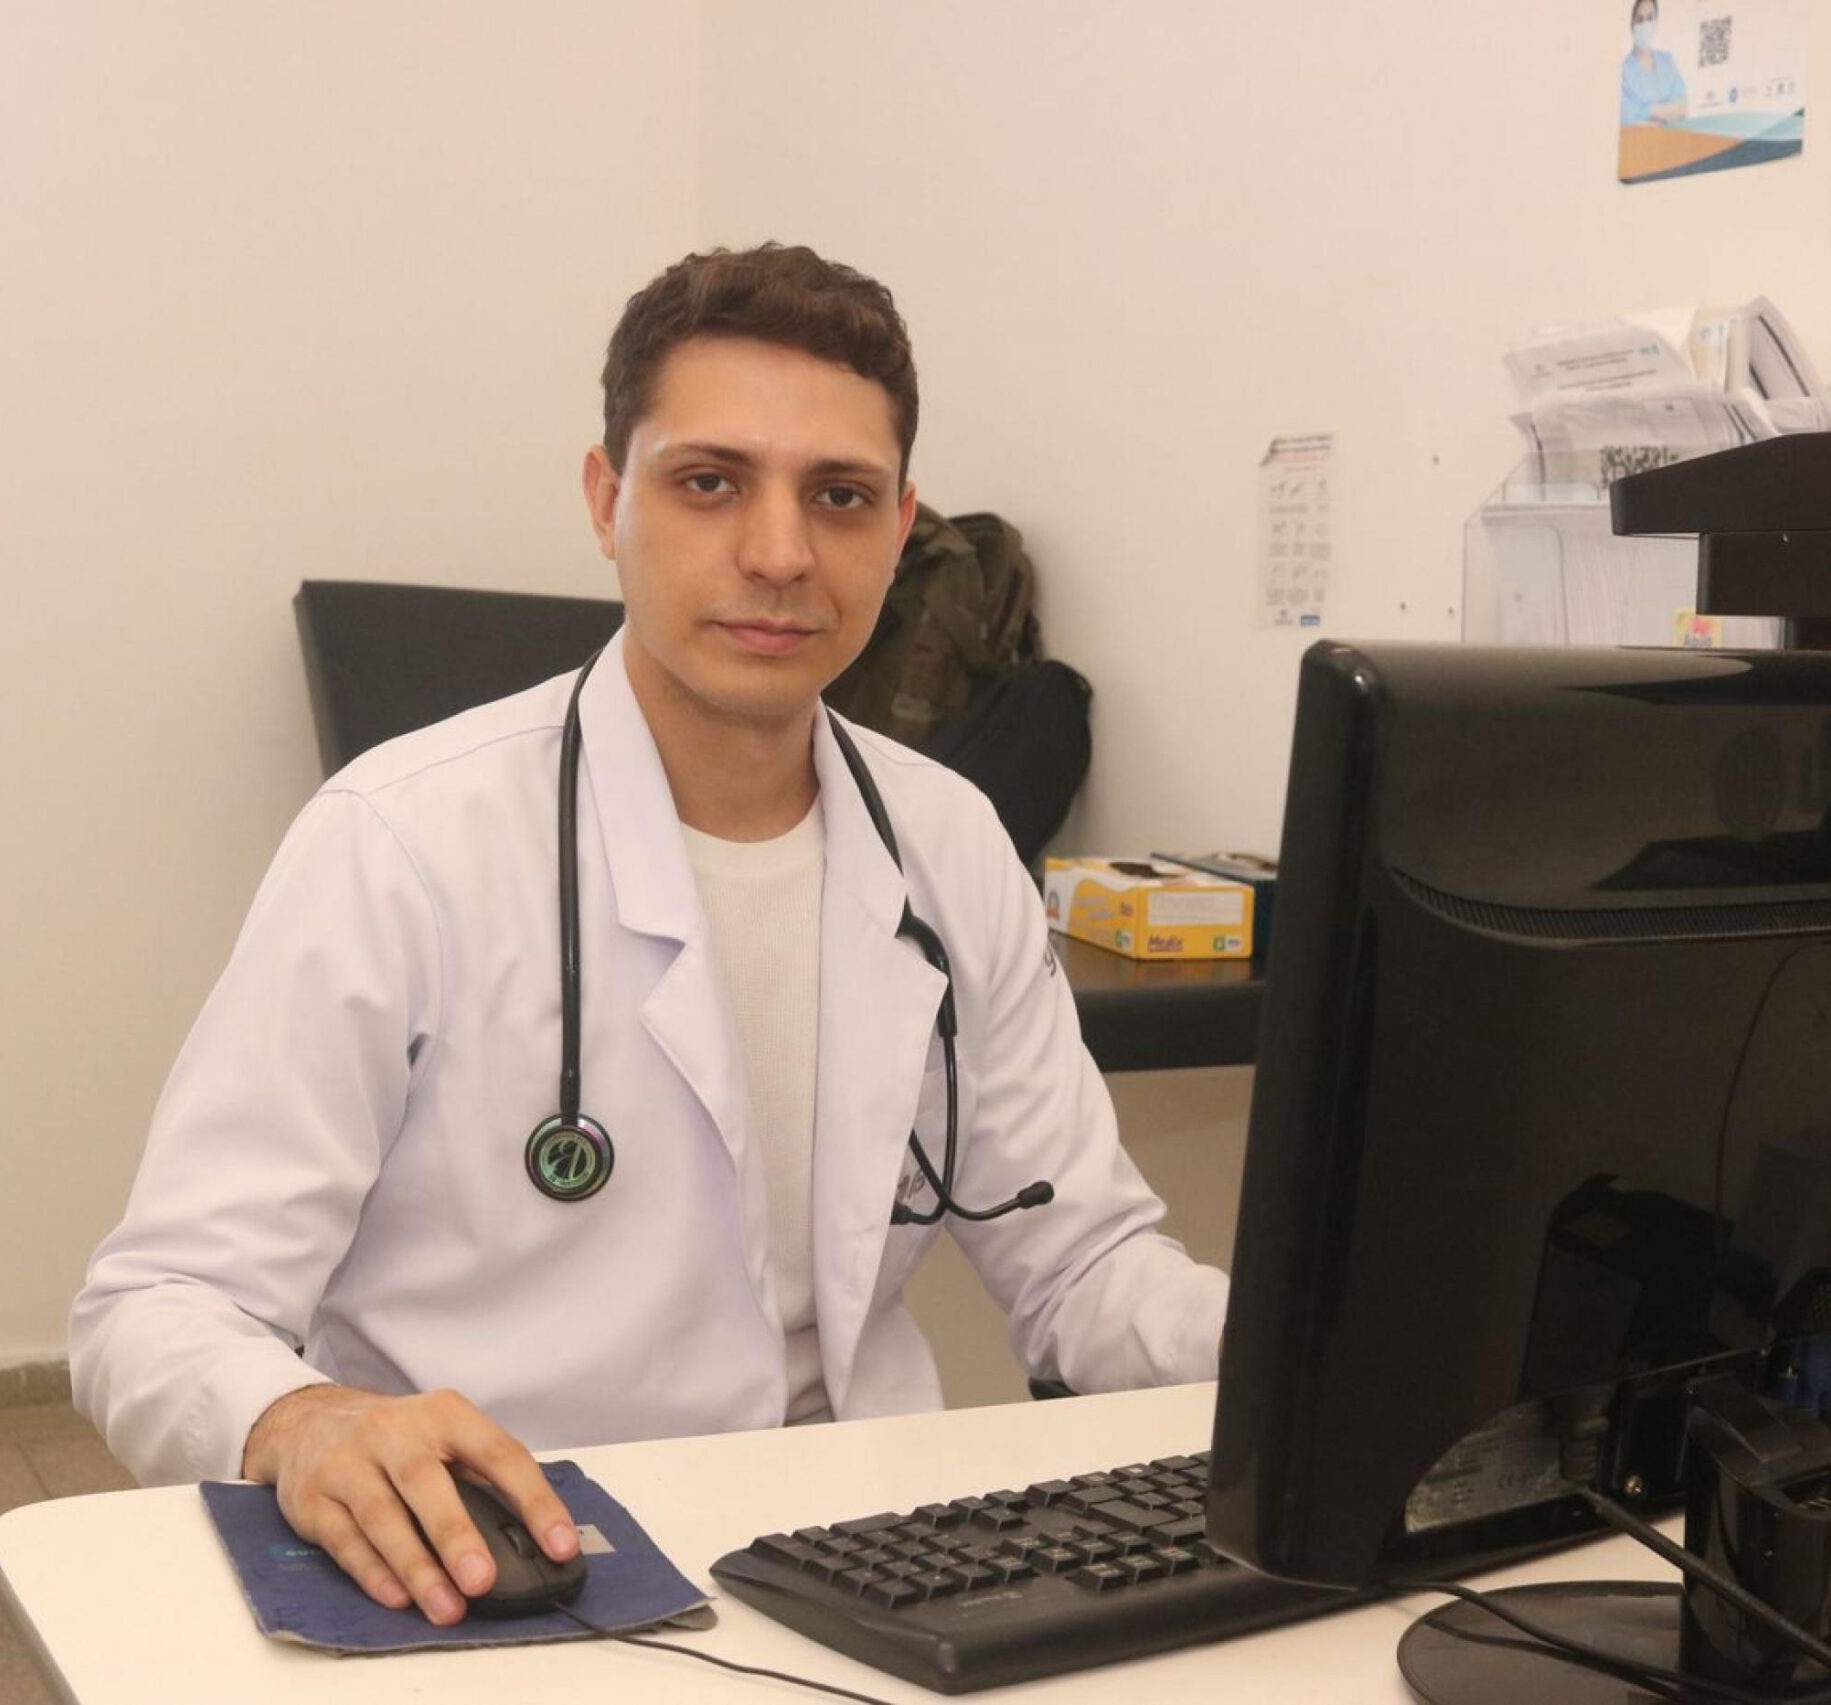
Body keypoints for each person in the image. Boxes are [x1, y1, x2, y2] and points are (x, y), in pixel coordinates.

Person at [68, 244, 1229, 1627]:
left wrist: (1305, 1354)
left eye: (840, 496)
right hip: (514, 1558)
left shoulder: (949, 841)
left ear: (900, 526)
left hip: (870, 1556)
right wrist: (301, 1418)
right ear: (606, 499)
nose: (781, 553)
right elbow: (158, 1303)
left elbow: (1081, 1268)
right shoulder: (400, 841)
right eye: (710, 481)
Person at [1621, 0, 1689, 126]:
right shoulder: (1624, 73)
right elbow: (1631, 122)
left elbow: (1682, 108)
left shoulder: (1667, 61)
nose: (1645, 24)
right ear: (1632, 26)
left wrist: (1647, 110)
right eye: (1640, 19)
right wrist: (1666, 111)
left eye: (1650, 18)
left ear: (1656, 22)